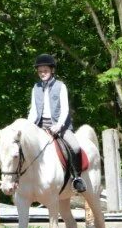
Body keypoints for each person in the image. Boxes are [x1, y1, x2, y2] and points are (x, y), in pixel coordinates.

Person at [28, 53, 85, 192]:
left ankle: (76, 178)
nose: (43, 73)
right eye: (40, 71)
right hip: (41, 125)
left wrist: (58, 125)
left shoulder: (61, 86)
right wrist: (28, 126)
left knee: (76, 147)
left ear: (52, 70)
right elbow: (33, 111)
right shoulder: (35, 88)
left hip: (60, 125)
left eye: (45, 71)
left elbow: (65, 109)